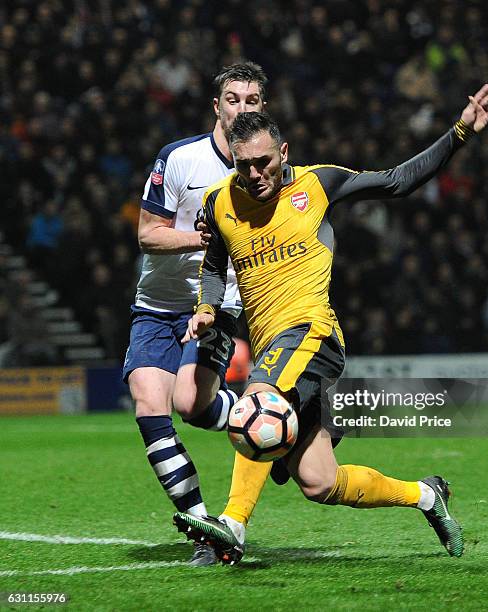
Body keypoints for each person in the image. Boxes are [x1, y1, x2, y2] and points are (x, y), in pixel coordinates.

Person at [173, 84, 488, 565]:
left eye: (264, 162)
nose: (256, 173)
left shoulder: (318, 183)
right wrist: (206, 307)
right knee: (319, 481)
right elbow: (212, 264)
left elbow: (397, 181)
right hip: (273, 346)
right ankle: (428, 496)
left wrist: (460, 132)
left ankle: (232, 526)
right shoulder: (219, 203)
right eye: (244, 165)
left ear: (283, 153)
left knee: (256, 404)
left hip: (313, 333)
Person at [122, 62, 268, 566]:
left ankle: (277, 425)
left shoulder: (266, 170)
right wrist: (202, 236)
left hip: (218, 302)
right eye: (233, 99)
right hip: (156, 304)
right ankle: (207, 533)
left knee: (187, 402)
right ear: (217, 106)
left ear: (262, 107)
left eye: (252, 101)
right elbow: (147, 234)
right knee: (149, 403)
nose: (242, 109)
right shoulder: (179, 159)